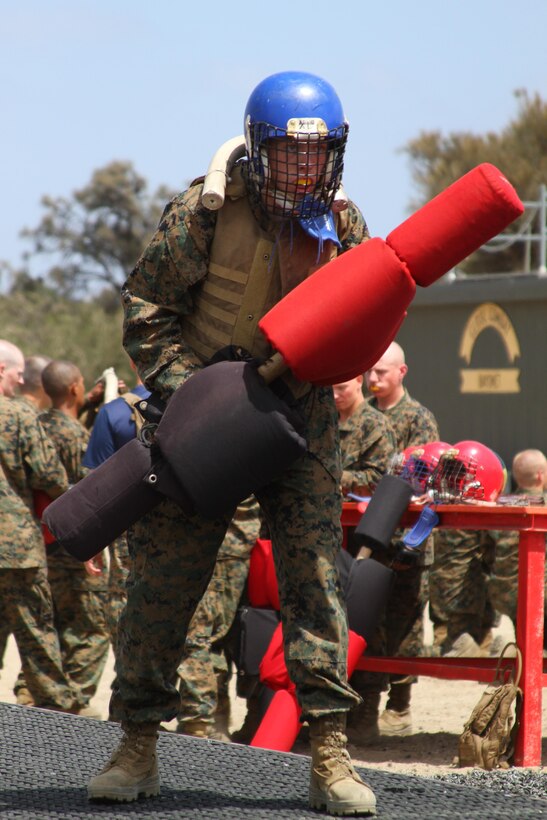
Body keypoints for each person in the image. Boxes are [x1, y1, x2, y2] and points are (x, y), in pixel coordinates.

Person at [87, 71, 377, 816]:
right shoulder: (205, 211)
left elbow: (364, 318)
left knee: (315, 580)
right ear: (257, 148)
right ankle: (137, 745)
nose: (302, 170)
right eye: (287, 154)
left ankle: (328, 755)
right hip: (205, 411)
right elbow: (146, 307)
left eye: (316, 156)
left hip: (301, 416)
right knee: (165, 584)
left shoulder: (344, 226)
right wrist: (191, 391)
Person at [360, 341, 439, 740]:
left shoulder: (418, 418)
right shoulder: (360, 415)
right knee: (367, 619)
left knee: (405, 621)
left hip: (406, 538)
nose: (373, 379)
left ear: (401, 373)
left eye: (382, 373)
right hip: (369, 538)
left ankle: (400, 704)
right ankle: (367, 704)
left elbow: (426, 475)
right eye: (369, 372)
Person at [0, 340, 78, 713]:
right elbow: (48, 473)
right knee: (38, 641)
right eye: (17, 375)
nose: (20, 382)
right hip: (14, 547)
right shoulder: (17, 415)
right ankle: (60, 720)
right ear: (2, 371)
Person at [39, 360, 110, 712]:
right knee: (91, 630)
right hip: (72, 547)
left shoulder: (36, 426)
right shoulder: (80, 437)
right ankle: (73, 703)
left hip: (39, 544)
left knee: (47, 625)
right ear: (74, 389)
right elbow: (87, 493)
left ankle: (34, 695)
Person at [176, 496, 260, 740]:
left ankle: (200, 723)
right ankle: (215, 721)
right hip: (232, 543)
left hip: (218, 543)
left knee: (199, 636)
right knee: (214, 638)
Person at [82, 363, 150, 652]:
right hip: (186, 522)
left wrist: (93, 539)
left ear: (134, 363)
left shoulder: (113, 412)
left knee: (121, 596)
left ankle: (128, 670)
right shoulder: (196, 403)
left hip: (128, 524)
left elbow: (97, 483)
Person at [483, 449, 547, 651]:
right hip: (536, 592)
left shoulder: (502, 505)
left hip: (503, 591)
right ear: (540, 476)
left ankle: (523, 649)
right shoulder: (543, 506)